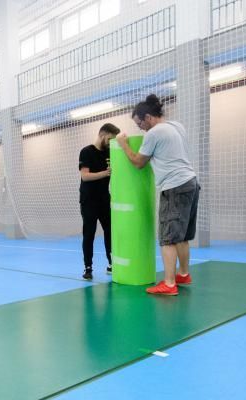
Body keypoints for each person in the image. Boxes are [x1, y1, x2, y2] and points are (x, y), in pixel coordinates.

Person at [115, 94, 200, 296]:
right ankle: (183, 274)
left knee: (168, 238)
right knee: (182, 236)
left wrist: (123, 144)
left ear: (148, 117)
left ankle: (169, 284)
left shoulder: (153, 133)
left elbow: (138, 163)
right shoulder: (176, 126)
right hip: (191, 183)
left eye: (140, 123)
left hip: (174, 187)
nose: (140, 128)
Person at [78, 123, 120, 280]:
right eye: (110, 139)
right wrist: (105, 173)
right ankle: (88, 268)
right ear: (103, 135)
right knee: (89, 234)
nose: (111, 142)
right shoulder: (86, 151)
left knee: (110, 232)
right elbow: (85, 176)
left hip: (104, 198)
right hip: (88, 200)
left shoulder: (110, 152)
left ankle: (111, 264)